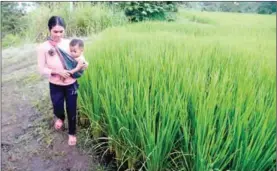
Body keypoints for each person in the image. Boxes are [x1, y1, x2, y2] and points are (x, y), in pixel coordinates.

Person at [37, 16, 88, 146]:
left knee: (72, 108)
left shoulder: (69, 43)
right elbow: (41, 69)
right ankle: (60, 117)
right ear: (49, 30)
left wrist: (85, 63)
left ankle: (72, 133)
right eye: (55, 31)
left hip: (71, 84)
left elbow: (80, 57)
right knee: (57, 107)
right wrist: (57, 72)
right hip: (55, 85)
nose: (58, 34)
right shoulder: (43, 47)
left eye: (61, 31)